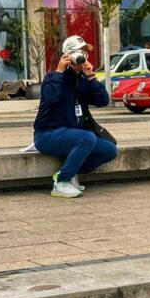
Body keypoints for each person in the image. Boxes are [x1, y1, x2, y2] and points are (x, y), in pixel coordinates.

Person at [33, 35, 117, 198]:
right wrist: (60, 71)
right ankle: (61, 182)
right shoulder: (53, 78)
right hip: (47, 134)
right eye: (80, 52)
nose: (84, 57)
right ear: (69, 55)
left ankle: (69, 172)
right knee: (87, 138)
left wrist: (91, 77)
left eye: (86, 53)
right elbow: (50, 99)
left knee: (109, 150)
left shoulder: (83, 80)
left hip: (73, 135)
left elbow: (103, 101)